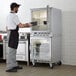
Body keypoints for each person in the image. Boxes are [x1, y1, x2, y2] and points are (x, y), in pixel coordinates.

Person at [6, 2, 31, 72]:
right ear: (14, 8)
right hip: (13, 34)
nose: (18, 9)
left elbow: (6, 27)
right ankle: (9, 67)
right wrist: (28, 24)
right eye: (17, 8)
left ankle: (14, 65)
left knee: (13, 50)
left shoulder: (8, 15)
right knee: (12, 51)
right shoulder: (14, 16)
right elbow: (21, 26)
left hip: (11, 33)